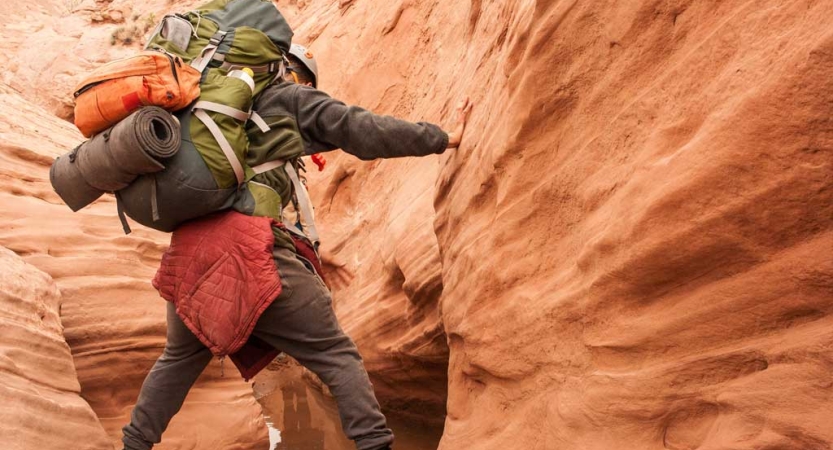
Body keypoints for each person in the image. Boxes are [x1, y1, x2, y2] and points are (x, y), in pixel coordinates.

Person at [121, 43, 473, 450]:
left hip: (187, 258)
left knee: (177, 361)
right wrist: (442, 138)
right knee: (335, 354)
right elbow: (364, 129)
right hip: (252, 250)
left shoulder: (203, 113)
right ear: (294, 72)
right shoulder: (289, 96)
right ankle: (375, 444)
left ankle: (133, 445)